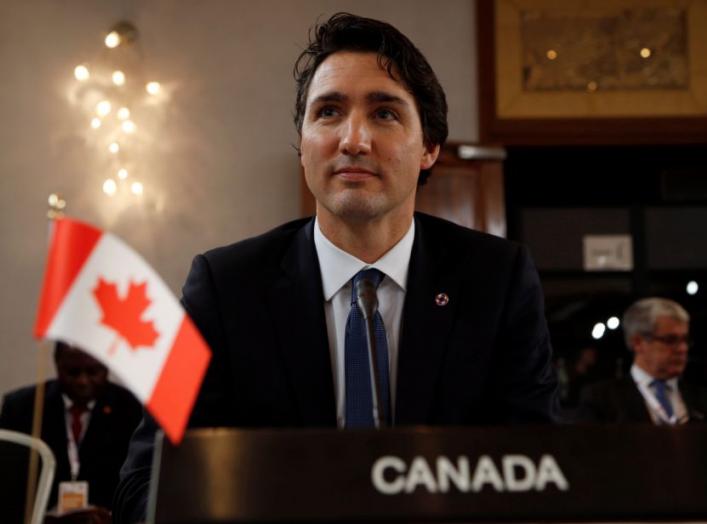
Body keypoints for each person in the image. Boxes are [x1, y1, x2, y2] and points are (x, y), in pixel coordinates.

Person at [113, 13, 557, 522]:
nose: (353, 140)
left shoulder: (496, 280)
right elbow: (145, 484)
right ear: (303, 146)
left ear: (430, 148)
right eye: (328, 112)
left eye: (385, 114)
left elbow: (539, 474)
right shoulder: (221, 287)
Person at [0, 342, 142, 518]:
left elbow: (136, 480)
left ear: (106, 367)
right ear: (57, 365)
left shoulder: (131, 409)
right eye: (73, 372)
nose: (82, 381)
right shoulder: (23, 407)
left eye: (92, 372)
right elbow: (7, 483)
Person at [578, 297, 707, 424]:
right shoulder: (602, 399)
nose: (682, 349)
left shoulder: (700, 399)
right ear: (638, 343)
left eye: (685, 340)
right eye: (670, 340)